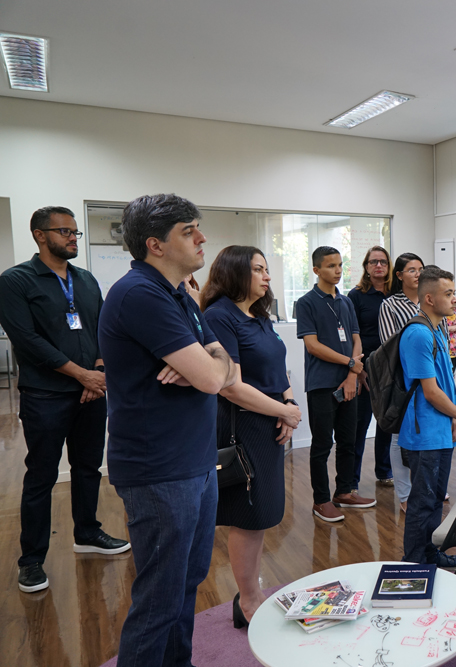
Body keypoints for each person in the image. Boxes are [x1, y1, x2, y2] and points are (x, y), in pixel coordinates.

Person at [99, 193, 237, 667]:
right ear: (155, 245)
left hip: (195, 462)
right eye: (188, 230)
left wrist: (209, 363)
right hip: (158, 471)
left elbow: (227, 370)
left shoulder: (179, 293)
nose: (202, 238)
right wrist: (208, 366)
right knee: (159, 600)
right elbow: (213, 377)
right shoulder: (139, 294)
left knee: (187, 583)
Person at [0, 206, 130, 594]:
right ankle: (31, 560)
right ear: (40, 235)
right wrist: (82, 373)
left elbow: (103, 327)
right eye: (65, 232)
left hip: (91, 392)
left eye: (75, 232)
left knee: (88, 467)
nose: (74, 238)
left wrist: (100, 371)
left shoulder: (85, 280)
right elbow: (27, 341)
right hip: (46, 395)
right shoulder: (15, 281)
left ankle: (87, 532)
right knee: (41, 475)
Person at [201, 246, 302, 626]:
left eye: (267, 269)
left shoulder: (258, 315)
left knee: (260, 514)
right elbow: (230, 386)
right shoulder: (219, 316)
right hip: (243, 424)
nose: (267, 276)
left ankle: (253, 592)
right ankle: (247, 601)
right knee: (248, 514)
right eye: (258, 269)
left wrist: (288, 404)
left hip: (271, 420)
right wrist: (283, 411)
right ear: (236, 272)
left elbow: (278, 367)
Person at [297, 246, 375, 523]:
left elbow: (356, 338)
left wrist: (353, 373)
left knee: (348, 441)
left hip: (348, 381)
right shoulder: (306, 302)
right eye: (331, 266)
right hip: (321, 383)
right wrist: (351, 364)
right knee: (321, 445)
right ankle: (321, 500)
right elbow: (313, 345)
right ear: (317, 270)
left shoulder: (346, 302)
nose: (338, 270)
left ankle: (345, 492)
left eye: (340, 264)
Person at [399, 267, 456, 567]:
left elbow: (444, 383)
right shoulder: (417, 333)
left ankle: (430, 554)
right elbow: (430, 392)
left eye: (454, 292)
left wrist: (453, 417)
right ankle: (415, 563)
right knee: (422, 502)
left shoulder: (438, 328)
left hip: (439, 430)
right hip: (423, 433)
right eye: (448, 294)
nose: (455, 299)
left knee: (436, 499)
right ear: (429, 298)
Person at [377, 252, 425, 512]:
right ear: (399, 275)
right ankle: (405, 495)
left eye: (420, 269)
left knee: (425, 434)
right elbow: (389, 345)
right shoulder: (391, 305)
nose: (418, 274)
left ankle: (426, 487)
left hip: (431, 378)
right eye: (411, 270)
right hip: (404, 379)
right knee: (399, 437)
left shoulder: (429, 300)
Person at [348, 246, 394, 492]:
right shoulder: (355, 296)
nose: (379, 266)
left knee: (387, 422)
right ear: (366, 266)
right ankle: (351, 481)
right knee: (360, 424)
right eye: (374, 262)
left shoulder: (396, 294)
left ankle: (384, 471)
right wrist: (358, 369)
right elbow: (349, 336)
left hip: (391, 369)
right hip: (365, 369)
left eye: (383, 262)